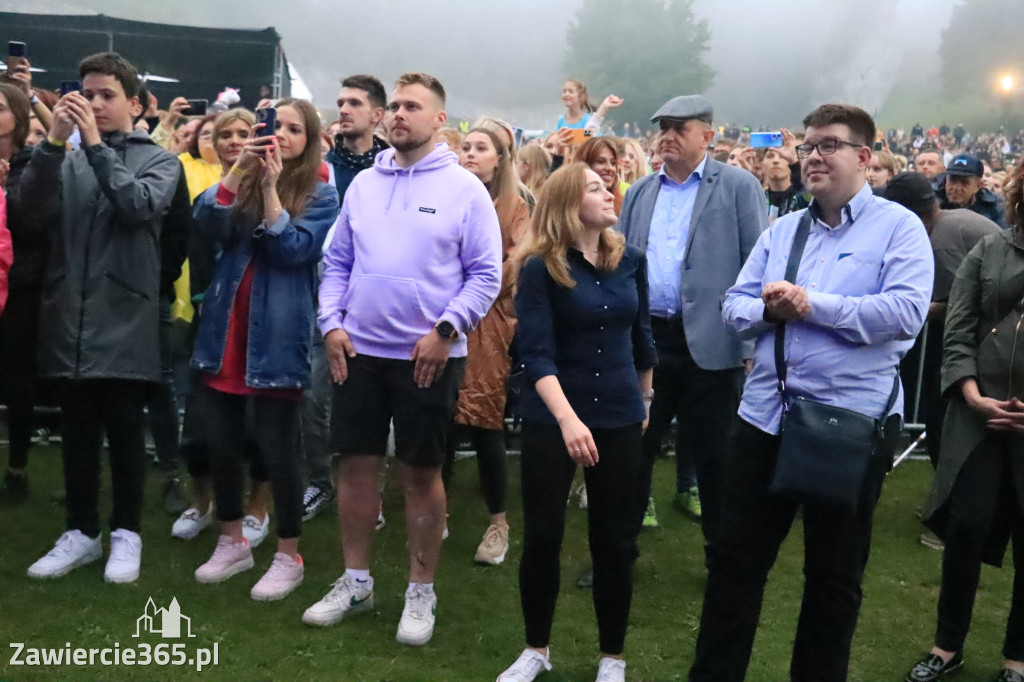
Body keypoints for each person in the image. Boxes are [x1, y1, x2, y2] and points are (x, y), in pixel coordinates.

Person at [688, 103, 933, 681]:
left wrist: (809, 303)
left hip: (843, 427)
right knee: (734, 567)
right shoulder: (783, 229)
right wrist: (770, 311)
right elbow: (734, 306)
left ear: (864, 156)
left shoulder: (898, 228)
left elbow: (902, 313)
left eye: (829, 145)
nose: (813, 157)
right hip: (764, 419)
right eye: (808, 147)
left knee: (833, 579)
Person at [307, 72, 501, 645]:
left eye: (412, 106)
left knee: (420, 471)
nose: (398, 115)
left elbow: (486, 275)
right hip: (360, 350)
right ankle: (356, 579)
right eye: (394, 105)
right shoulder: (365, 184)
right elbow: (335, 262)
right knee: (357, 464)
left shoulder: (464, 189)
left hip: (428, 355)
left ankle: (421, 589)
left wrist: (446, 329)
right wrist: (332, 324)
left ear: (440, 121)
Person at [22, 52, 181, 584]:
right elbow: (30, 213)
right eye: (86, 93)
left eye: (106, 95)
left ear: (135, 104)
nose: (93, 104)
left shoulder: (160, 160)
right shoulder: (61, 156)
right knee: (79, 428)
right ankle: (82, 531)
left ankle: (126, 533)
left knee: (125, 427)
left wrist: (91, 145)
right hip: (70, 311)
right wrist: (51, 144)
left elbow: (136, 205)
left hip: (124, 312)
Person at [495, 163, 656, 682]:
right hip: (553, 417)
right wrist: (568, 421)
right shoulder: (542, 267)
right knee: (542, 536)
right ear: (568, 203)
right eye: (594, 188)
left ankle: (613, 658)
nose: (609, 192)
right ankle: (536, 648)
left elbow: (642, 339)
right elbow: (536, 356)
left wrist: (646, 400)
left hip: (618, 416)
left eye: (606, 186)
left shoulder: (630, 260)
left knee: (613, 540)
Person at [189, 97, 340, 601]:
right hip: (226, 330)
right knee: (223, 443)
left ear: (310, 137)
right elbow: (207, 223)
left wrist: (272, 188)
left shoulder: (321, 193)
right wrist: (238, 170)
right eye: (277, 127)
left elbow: (295, 248)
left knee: (280, 449)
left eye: (296, 129)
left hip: (277, 336)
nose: (284, 136)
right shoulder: (244, 177)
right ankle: (232, 541)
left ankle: (287, 554)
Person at [617, 94, 767, 550]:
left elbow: (756, 264)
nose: (667, 136)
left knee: (717, 458)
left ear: (708, 135)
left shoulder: (739, 186)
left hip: (712, 343)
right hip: (649, 343)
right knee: (634, 452)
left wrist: (747, 346)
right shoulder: (642, 191)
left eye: (679, 128)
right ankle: (619, 552)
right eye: (663, 127)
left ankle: (720, 557)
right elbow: (623, 263)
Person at [904, 165, 1024, 682]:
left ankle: (1016, 658)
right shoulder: (992, 249)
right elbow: (959, 329)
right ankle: (946, 645)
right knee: (967, 529)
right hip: (978, 414)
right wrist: (971, 392)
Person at [170, 108, 273, 546]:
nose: (233, 141)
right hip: (209, 321)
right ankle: (203, 502)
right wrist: (202, 302)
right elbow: (198, 246)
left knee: (258, 426)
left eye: (242, 133)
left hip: (261, 324)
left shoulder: (276, 194)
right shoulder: (212, 195)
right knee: (197, 428)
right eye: (224, 134)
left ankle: (258, 506)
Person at [302, 74, 389, 522]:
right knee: (315, 397)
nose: (344, 109)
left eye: (354, 102)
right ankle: (319, 481)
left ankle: (368, 492)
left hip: (375, 302)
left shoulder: (392, 168)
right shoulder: (319, 167)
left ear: (377, 114)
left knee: (370, 405)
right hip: (325, 299)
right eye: (340, 102)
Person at [453, 127, 530, 565]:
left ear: (501, 158)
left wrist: (471, 288)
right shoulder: (449, 196)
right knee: (437, 420)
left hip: (488, 324)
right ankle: (435, 510)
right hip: (439, 316)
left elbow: (517, 263)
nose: (470, 154)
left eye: (481, 148)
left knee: (486, 424)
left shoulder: (517, 207)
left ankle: (498, 523)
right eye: (466, 146)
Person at [0, 82, 41, 500]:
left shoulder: (32, 164)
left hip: (21, 286)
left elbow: (32, 222)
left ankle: (18, 465)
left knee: (16, 380)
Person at [939, 153, 1008, 228]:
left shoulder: (994, 207)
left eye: (964, 182)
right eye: (952, 180)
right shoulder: (935, 201)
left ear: (978, 186)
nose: (956, 188)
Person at [576, 136, 628, 214]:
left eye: (613, 163)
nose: (609, 168)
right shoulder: (570, 202)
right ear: (585, 164)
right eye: (601, 162)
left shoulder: (623, 205)